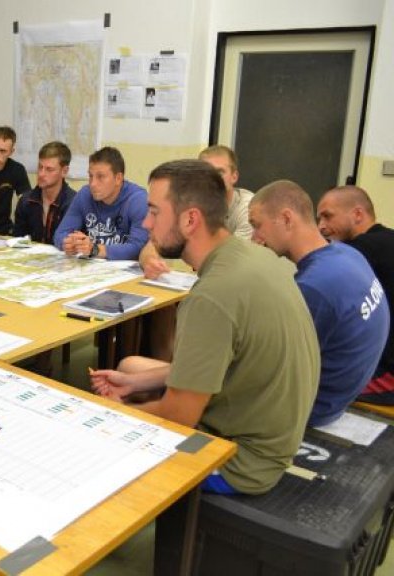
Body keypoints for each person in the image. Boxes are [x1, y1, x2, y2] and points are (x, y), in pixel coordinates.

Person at [90, 160, 319, 495]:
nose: (146, 222)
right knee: (131, 369)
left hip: (241, 463)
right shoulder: (253, 257)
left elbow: (178, 416)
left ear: (190, 219)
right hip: (273, 436)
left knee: (102, 440)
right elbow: (218, 364)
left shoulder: (212, 296)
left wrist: (117, 414)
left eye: (154, 212)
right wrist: (136, 383)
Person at [249, 180, 388, 425]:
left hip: (314, 408)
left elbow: (268, 371)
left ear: (286, 218)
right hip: (342, 393)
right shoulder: (347, 254)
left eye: (257, 225)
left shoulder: (313, 287)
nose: (254, 238)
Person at [318, 186, 394, 404]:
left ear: (358, 214)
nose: (321, 226)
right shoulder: (387, 238)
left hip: (388, 375)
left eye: (328, 216)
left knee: (312, 385)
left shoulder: (358, 250)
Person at [141, 145, 253, 278]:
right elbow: (157, 240)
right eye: (205, 174)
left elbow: (232, 259)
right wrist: (149, 261)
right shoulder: (192, 202)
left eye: (219, 173)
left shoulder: (248, 209)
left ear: (234, 176)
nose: (212, 179)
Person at [53, 146, 149, 260]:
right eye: (90, 176)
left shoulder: (138, 200)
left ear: (118, 179)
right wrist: (69, 243)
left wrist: (95, 249)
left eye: (100, 177)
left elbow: (138, 248)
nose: (92, 184)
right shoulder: (85, 194)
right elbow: (60, 234)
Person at [12, 141, 76, 245]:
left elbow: (73, 245)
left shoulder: (74, 203)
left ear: (64, 171)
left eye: (49, 169)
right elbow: (17, 241)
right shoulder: (25, 201)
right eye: (40, 167)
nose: (41, 174)